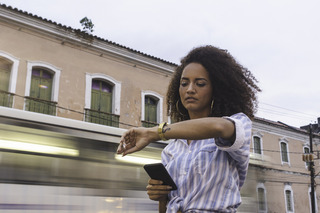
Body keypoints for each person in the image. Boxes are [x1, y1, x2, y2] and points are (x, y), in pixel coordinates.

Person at [117, 45, 260, 213]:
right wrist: (161, 196)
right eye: (184, 83)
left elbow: (218, 126)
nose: (190, 89)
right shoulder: (172, 149)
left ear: (217, 89)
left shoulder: (237, 125)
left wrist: (152, 133)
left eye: (200, 83)